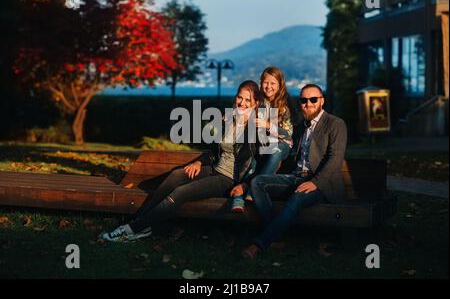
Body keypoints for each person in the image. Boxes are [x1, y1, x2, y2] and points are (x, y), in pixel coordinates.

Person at [99, 80, 262, 242]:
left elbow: (260, 163)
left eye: (248, 100)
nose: (242, 103)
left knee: (180, 192)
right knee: (177, 174)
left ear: (256, 104)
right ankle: (139, 224)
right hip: (215, 169)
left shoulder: (256, 128)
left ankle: (130, 230)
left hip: (229, 180)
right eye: (240, 97)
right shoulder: (230, 120)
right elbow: (214, 151)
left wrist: (245, 184)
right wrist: (198, 162)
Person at [241, 84, 348, 259]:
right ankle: (275, 235)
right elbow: (290, 152)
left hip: (322, 184)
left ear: (322, 101)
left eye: (313, 99)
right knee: (257, 182)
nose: (308, 104)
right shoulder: (300, 127)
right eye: (304, 100)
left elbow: (334, 161)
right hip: (296, 177)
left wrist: (314, 183)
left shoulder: (335, 124)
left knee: (297, 196)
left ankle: (259, 244)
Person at [230, 66, 295, 212]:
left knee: (275, 151)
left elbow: (288, 135)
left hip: (282, 144)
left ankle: (252, 189)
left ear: (280, 85)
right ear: (261, 82)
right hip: (261, 143)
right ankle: (239, 197)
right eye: (266, 82)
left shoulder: (284, 104)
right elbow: (242, 108)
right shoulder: (258, 100)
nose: (269, 86)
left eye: (273, 83)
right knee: (250, 159)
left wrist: (268, 125)